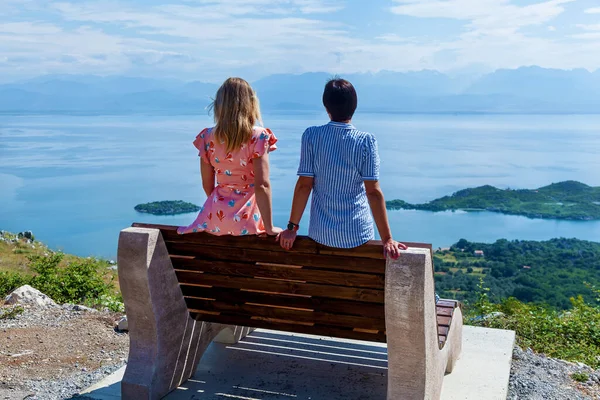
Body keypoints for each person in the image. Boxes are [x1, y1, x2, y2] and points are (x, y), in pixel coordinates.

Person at [278, 78, 406, 258]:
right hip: (358, 235)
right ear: (354, 106)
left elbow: (304, 185)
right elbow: (373, 193)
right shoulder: (365, 141)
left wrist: (292, 228)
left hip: (321, 235)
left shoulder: (311, 136)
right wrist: (387, 239)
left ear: (326, 106)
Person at [178, 77, 281, 237]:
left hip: (215, 219)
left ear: (219, 106)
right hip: (248, 219)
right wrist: (269, 227)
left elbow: (207, 185)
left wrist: (222, 208)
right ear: (250, 104)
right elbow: (262, 185)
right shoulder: (258, 136)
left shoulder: (207, 137)